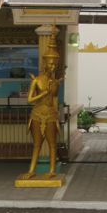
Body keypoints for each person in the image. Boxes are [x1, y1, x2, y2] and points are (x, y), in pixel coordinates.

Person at [24, 33, 63, 179]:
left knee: (52, 144)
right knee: (37, 144)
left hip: (50, 114)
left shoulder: (55, 82)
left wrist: (55, 86)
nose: (52, 67)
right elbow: (29, 99)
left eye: (54, 64)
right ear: (45, 63)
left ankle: (52, 170)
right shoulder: (36, 80)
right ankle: (31, 170)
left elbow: (54, 99)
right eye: (50, 64)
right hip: (37, 114)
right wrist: (43, 93)